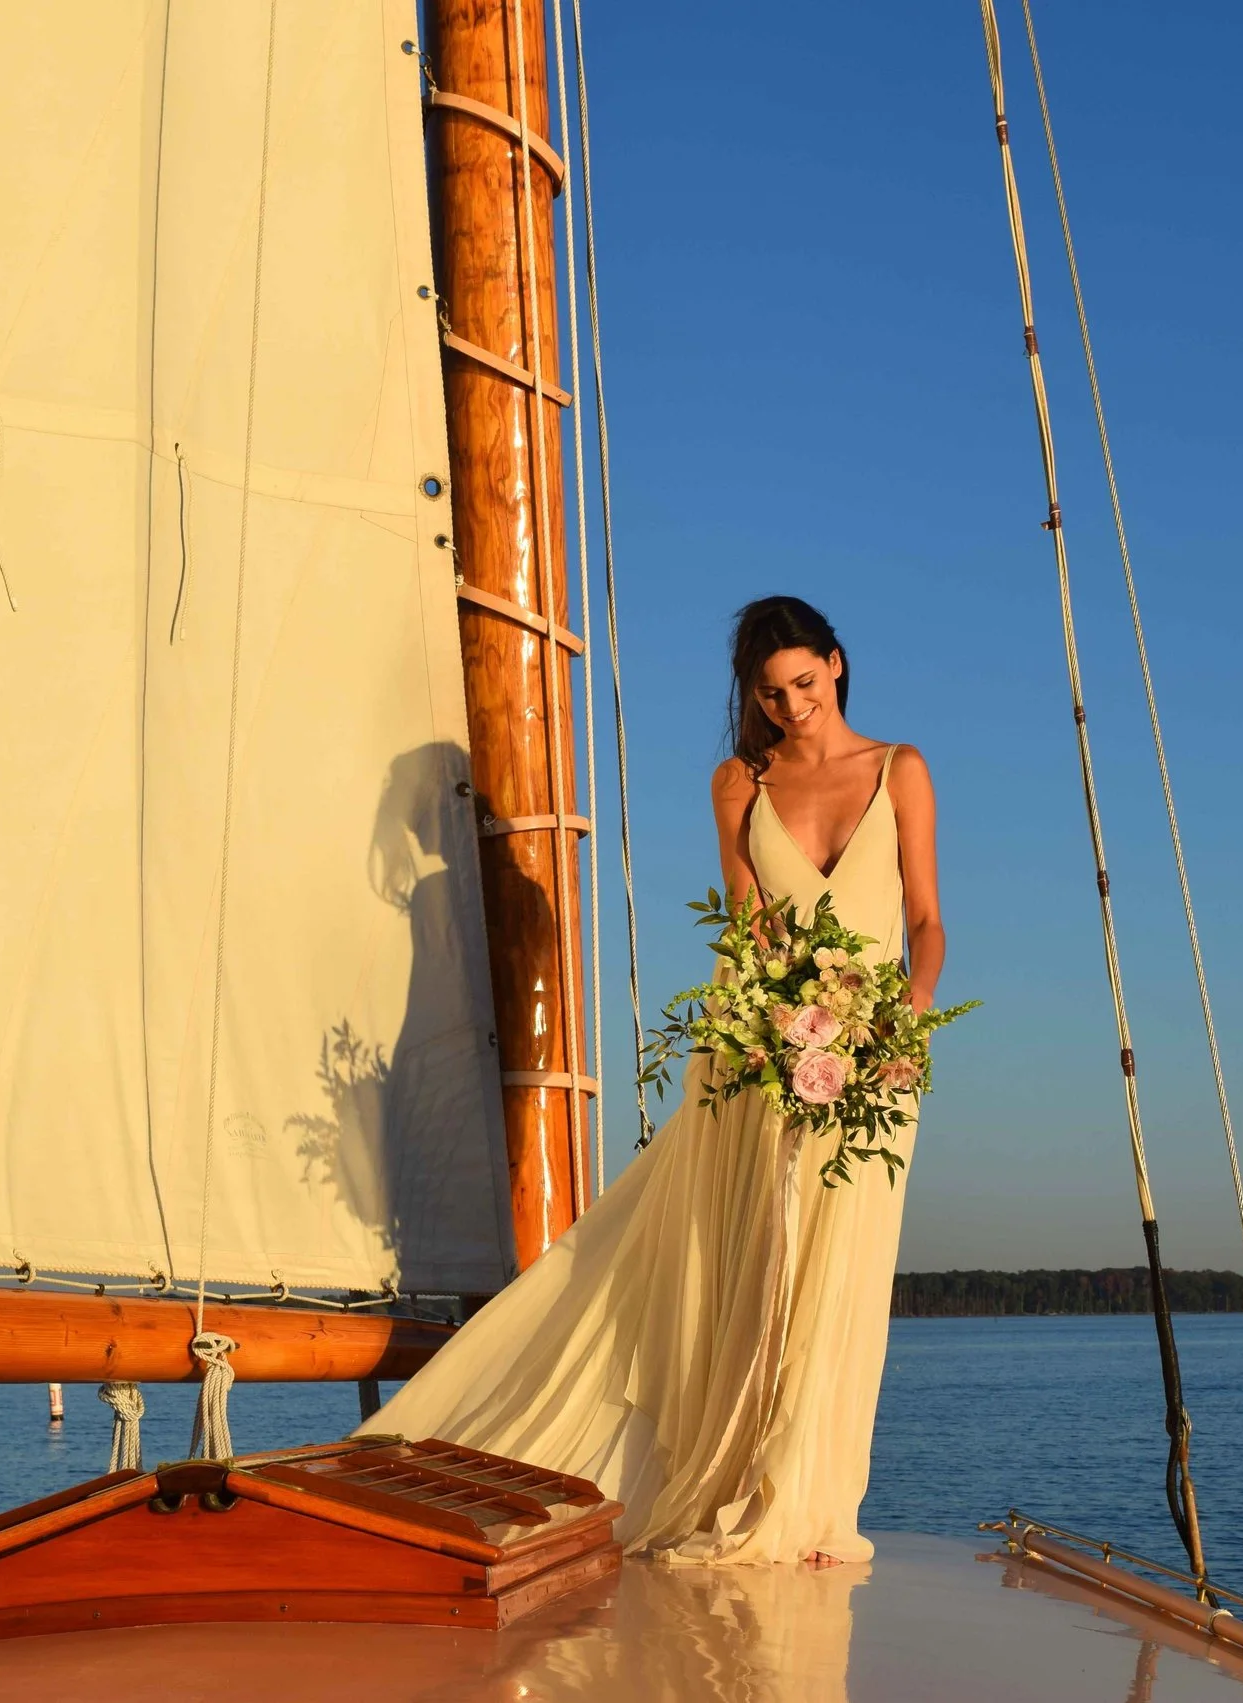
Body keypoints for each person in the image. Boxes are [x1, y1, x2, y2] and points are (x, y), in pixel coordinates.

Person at [369, 596, 945, 1566]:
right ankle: (745, 1478)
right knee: (762, 1264)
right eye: (770, 692)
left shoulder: (900, 769)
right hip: (760, 1053)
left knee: (839, 1270)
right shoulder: (738, 783)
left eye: (805, 682)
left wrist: (907, 1020)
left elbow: (924, 919)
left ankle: (807, 1497)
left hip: (876, 1062)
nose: (791, 704)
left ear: (837, 667)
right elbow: (749, 932)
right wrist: (767, 1031)